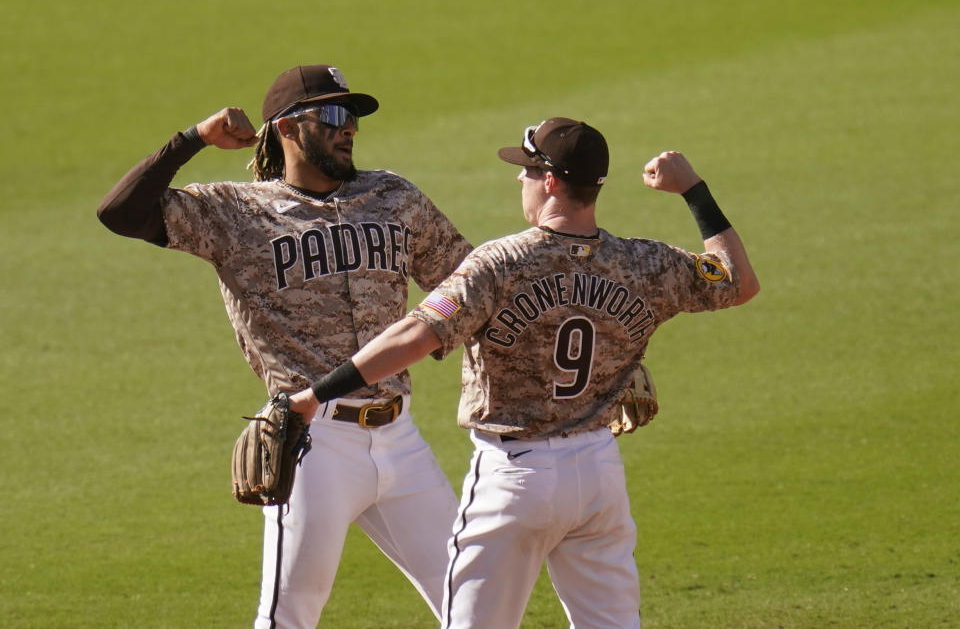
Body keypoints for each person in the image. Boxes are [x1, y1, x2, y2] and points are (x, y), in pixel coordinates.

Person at [286, 117, 760, 628]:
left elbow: (414, 336)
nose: (520, 179)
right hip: (599, 475)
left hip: (515, 478)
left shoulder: (500, 263)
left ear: (552, 181)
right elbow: (740, 281)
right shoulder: (646, 264)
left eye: (528, 170)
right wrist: (692, 189)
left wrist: (317, 394)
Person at [97, 64, 472, 628]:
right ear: (289, 129)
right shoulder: (236, 213)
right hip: (313, 444)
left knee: (476, 605)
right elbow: (120, 213)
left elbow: (477, 287)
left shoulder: (394, 198)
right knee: (289, 616)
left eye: (354, 119)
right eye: (335, 117)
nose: (350, 130)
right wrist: (193, 139)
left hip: (401, 440)